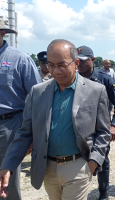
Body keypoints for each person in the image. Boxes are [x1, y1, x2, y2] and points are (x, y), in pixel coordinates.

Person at [0, 39, 110, 200]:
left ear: (76, 62)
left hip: (78, 166)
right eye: (51, 65)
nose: (56, 71)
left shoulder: (96, 91)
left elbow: (103, 132)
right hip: (48, 168)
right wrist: (7, 167)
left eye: (62, 65)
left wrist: (94, 161)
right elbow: (24, 133)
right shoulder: (37, 92)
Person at [0, 18, 42, 200]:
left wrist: (34, 134)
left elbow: (38, 98)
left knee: (7, 175)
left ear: (2, 33)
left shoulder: (20, 59)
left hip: (9, 125)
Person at [77, 45, 115, 200]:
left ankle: (103, 194)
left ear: (93, 60)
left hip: (100, 129)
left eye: (84, 60)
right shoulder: (72, 79)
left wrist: (114, 125)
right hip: (78, 129)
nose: (80, 64)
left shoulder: (105, 79)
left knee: (102, 162)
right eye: (77, 61)